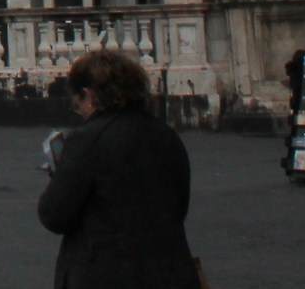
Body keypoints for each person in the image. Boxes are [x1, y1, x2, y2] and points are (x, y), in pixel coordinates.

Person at [36, 49, 203, 289]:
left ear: (89, 95)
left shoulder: (87, 139)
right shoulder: (166, 135)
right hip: (170, 271)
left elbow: (54, 215)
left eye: (78, 103)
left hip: (106, 273)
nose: (80, 111)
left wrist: (59, 175)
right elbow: (178, 206)